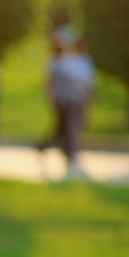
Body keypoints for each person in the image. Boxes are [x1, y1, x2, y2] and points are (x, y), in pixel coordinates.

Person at [37, 30, 93, 177]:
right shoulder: (55, 62)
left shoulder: (67, 60)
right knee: (64, 127)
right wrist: (53, 97)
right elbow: (50, 82)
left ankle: (53, 149)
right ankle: (67, 152)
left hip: (71, 99)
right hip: (62, 99)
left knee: (63, 128)